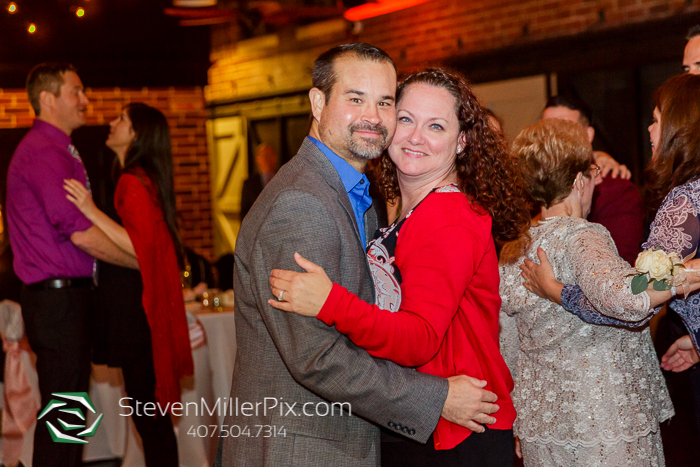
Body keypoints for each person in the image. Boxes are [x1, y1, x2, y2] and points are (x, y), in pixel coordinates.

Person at [217, 44, 501, 467]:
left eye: (385, 102)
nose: (373, 116)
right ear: (318, 102)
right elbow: (317, 357)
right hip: (301, 446)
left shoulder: (358, 197)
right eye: (355, 99)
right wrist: (436, 397)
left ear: (461, 142)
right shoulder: (303, 202)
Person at [500, 118, 700, 466]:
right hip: (604, 419)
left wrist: (517, 423)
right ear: (579, 181)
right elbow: (627, 300)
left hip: (541, 423)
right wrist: (689, 272)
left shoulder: (514, 249)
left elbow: (508, 346)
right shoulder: (582, 235)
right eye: (593, 171)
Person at [6, 63, 139, 467]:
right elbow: (79, 232)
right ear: (48, 99)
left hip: (62, 301)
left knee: (67, 416)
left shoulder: (55, 148)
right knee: (64, 419)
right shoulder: (45, 152)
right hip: (58, 302)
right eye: (76, 91)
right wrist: (142, 262)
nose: (85, 100)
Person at [63, 103, 193, 466]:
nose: (112, 123)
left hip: (136, 311)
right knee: (149, 415)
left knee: (147, 416)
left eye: (120, 119)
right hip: (138, 309)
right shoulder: (141, 177)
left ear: (135, 134)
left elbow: (141, 247)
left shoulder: (131, 181)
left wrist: (89, 211)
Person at [541, 95, 644, 265]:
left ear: (588, 134)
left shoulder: (615, 189)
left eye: (564, 130)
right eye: (545, 131)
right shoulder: (534, 184)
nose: (553, 139)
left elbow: (620, 265)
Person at [240, 142, 278, 219]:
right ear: (258, 159)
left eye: (269, 155)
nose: (267, 159)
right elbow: (244, 211)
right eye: (264, 156)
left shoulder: (286, 179)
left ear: (275, 158)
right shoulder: (249, 183)